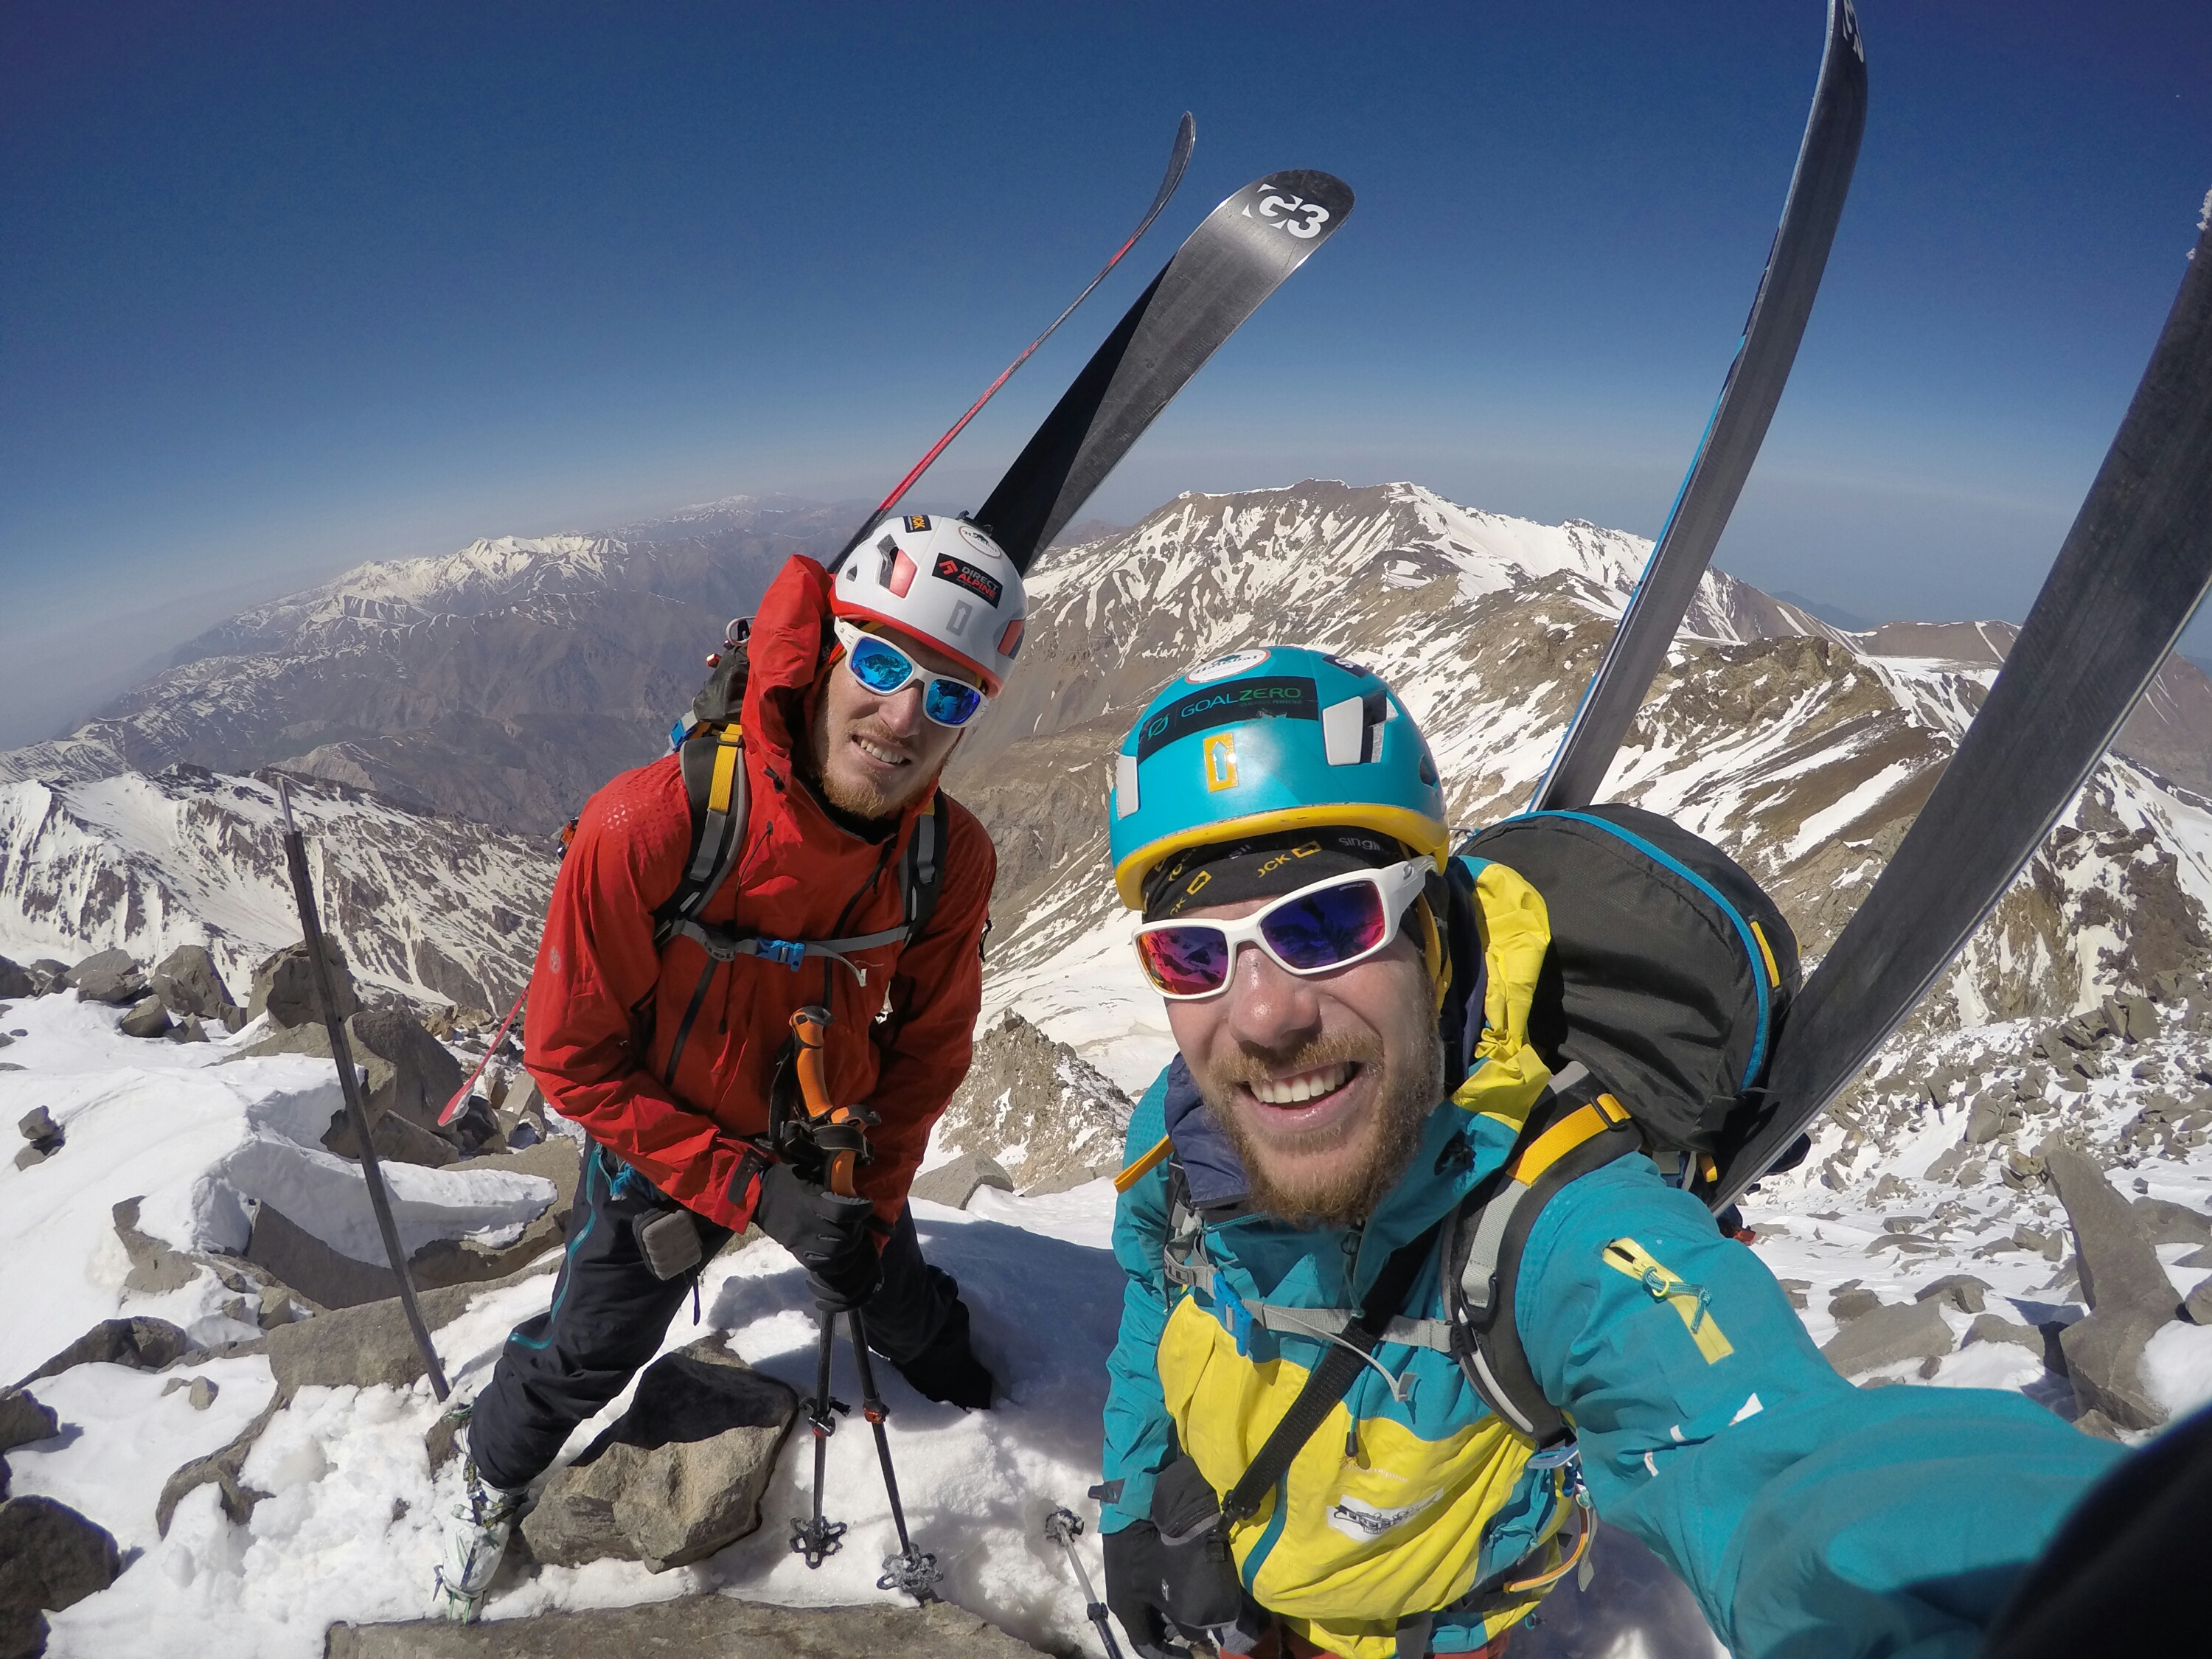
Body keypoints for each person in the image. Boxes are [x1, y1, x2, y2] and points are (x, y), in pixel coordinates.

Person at [1095, 645, 2124, 1659]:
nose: (1265, 1014)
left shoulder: (1561, 1227)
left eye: (1327, 922)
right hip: (1234, 1564)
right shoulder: (1189, 1125)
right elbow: (1160, 1283)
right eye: (1191, 952)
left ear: (1435, 933)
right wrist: (1139, 1503)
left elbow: (1777, 1467)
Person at [430, 514, 1024, 1621]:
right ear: (830, 647)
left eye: (951, 696)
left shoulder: (951, 857)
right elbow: (572, 1058)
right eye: (885, 665)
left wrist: (867, 1209)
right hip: (665, 1135)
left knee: (904, 1312)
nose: (903, 719)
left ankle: (1007, 1410)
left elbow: (929, 1047)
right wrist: (755, 1194)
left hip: (830, 1130)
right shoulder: (650, 822)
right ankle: (493, 1476)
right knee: (586, 1349)